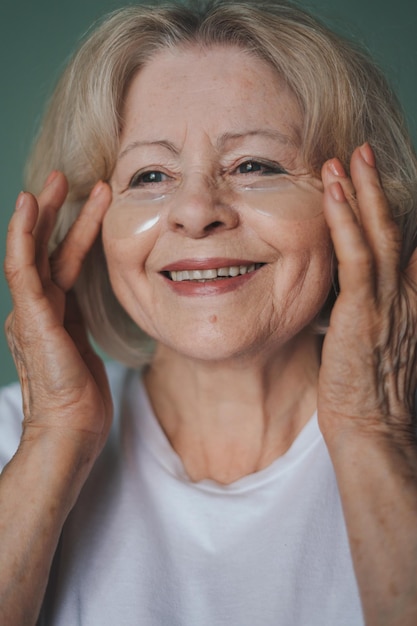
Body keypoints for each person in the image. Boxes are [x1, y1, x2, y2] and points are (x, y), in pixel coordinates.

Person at [1, 0, 416, 624]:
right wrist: (53, 439)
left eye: (254, 165)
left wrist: (372, 436)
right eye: (149, 175)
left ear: (361, 209)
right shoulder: (12, 436)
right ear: (90, 226)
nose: (196, 211)